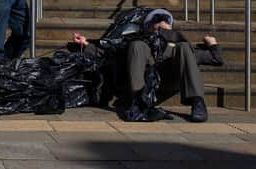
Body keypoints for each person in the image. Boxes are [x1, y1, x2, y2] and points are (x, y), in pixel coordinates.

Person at [73, 8, 213, 123]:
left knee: (183, 47)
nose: (161, 24)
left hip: (171, 78)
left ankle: (197, 102)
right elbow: (111, 51)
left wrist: (212, 44)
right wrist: (86, 44)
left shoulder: (179, 46)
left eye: (166, 21)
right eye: (157, 20)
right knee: (137, 45)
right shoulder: (140, 43)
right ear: (148, 26)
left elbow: (214, 58)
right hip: (145, 82)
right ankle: (139, 102)